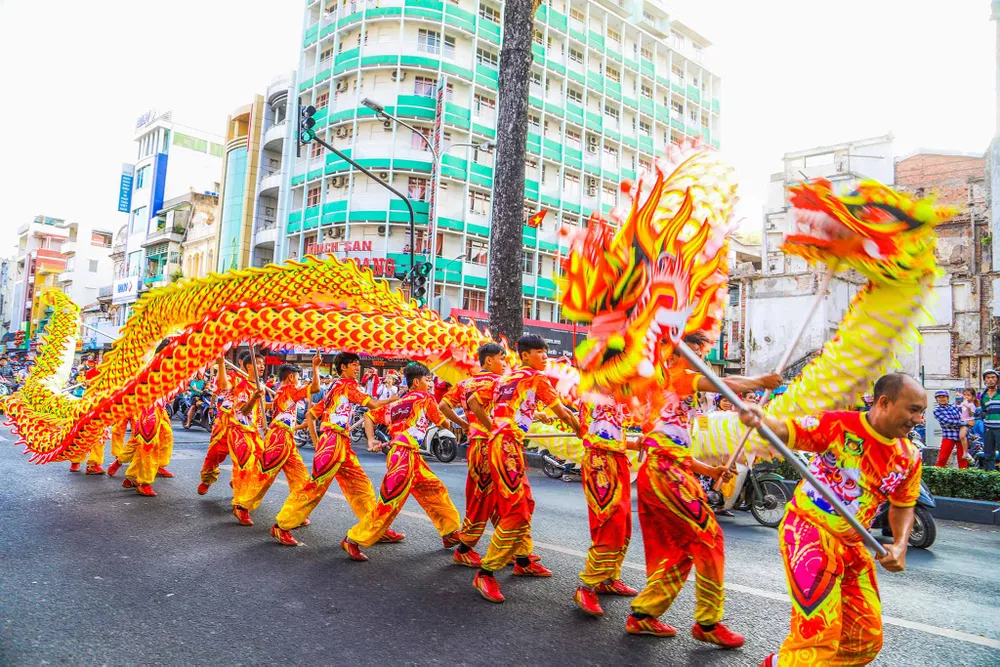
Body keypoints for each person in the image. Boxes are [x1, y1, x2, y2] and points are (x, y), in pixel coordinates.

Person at [742, 373, 924, 666]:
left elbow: (903, 505)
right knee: (818, 637)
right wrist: (761, 419)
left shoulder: (910, 456)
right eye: (913, 409)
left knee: (864, 641)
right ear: (885, 402)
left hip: (854, 544)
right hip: (809, 530)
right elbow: (786, 431)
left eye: (921, 412)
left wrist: (900, 545)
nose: (918, 418)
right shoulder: (840, 425)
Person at [625, 331, 780, 647]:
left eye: (704, 352)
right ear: (683, 350)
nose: (704, 358)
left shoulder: (668, 389)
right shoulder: (675, 376)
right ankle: (708, 623)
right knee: (710, 538)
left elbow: (672, 444)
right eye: (699, 350)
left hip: (668, 470)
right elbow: (727, 386)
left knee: (688, 546)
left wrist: (709, 469)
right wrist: (760, 380)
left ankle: (643, 615)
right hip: (665, 475)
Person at [472, 334, 582, 604]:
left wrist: (493, 427)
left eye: (546, 352)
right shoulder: (535, 377)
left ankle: (522, 559)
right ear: (524, 355)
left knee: (524, 502)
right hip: (506, 445)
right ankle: (486, 573)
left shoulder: (505, 378)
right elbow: (564, 414)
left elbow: (475, 403)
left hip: (502, 442)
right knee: (517, 509)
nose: (545, 357)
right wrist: (583, 434)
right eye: (539, 352)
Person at [272, 352, 401, 542]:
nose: (357, 368)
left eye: (358, 365)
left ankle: (374, 527)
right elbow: (373, 403)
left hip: (340, 443)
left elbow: (311, 415)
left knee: (361, 485)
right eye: (354, 365)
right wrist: (392, 399)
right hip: (333, 442)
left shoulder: (334, 387)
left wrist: (318, 444)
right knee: (315, 488)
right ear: (343, 367)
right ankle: (281, 526)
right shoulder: (347, 385)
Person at [342, 362, 463, 561]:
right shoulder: (425, 398)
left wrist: (372, 439)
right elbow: (445, 423)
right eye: (427, 379)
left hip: (406, 455)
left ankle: (449, 532)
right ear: (417, 382)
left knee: (435, 489)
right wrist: (454, 416)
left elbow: (369, 416)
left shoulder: (397, 403)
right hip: (404, 457)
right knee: (389, 504)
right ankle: (353, 539)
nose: (430, 383)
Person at [225, 356, 321, 546]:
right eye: (298, 377)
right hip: (278, 438)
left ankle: (295, 514)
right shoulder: (287, 390)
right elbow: (316, 389)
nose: (299, 381)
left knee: (301, 480)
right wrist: (315, 367)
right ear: (291, 378)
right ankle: (242, 506)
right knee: (264, 476)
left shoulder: (281, 392)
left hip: (287, 437)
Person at [438, 342, 507, 568]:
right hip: (491, 444)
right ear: (489, 360)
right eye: (502, 359)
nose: (505, 363)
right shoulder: (498, 383)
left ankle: (511, 547)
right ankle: (464, 547)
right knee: (483, 498)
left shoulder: (465, 383)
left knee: (498, 497)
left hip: (477, 443)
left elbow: (443, 406)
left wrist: (466, 425)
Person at [572, 399, 640, 617]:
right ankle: (587, 587)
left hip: (617, 460)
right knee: (610, 524)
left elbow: (613, 436)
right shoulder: (595, 394)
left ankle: (608, 578)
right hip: (600, 462)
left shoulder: (618, 395)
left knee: (624, 525)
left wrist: (635, 444)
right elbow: (592, 437)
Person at [113, 340, 175, 497]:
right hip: (147, 409)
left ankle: (131, 475)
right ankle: (143, 482)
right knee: (148, 444)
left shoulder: (167, 368)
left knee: (161, 437)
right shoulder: (150, 367)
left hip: (159, 409)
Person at [931, 390, 966, 469]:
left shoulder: (954, 406)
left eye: (944, 397)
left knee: (963, 458)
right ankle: (937, 475)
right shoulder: (937, 410)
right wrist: (964, 422)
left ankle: (964, 475)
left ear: (947, 398)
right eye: (939, 397)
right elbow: (947, 422)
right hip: (948, 435)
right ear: (937, 399)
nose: (942, 399)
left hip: (961, 435)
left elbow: (965, 413)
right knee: (943, 458)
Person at [979, 369, 1000, 471]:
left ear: (997, 379)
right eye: (988, 378)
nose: (991, 380)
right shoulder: (983, 396)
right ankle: (990, 475)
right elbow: (984, 411)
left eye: (993, 377)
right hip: (988, 428)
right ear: (984, 380)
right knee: (988, 454)